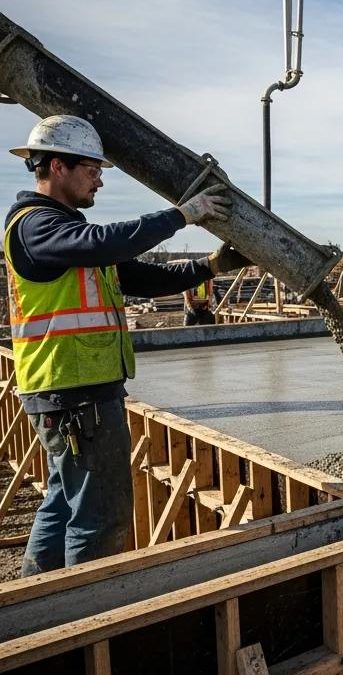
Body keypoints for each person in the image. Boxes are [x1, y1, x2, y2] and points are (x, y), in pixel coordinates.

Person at [6, 115, 251, 576]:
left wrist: (213, 265)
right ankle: (87, 624)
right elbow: (107, 241)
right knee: (101, 517)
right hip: (76, 393)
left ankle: (36, 607)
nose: (99, 178)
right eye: (92, 169)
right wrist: (184, 214)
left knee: (63, 504)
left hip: (72, 393)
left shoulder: (69, 237)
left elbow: (142, 276)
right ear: (58, 167)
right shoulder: (36, 227)